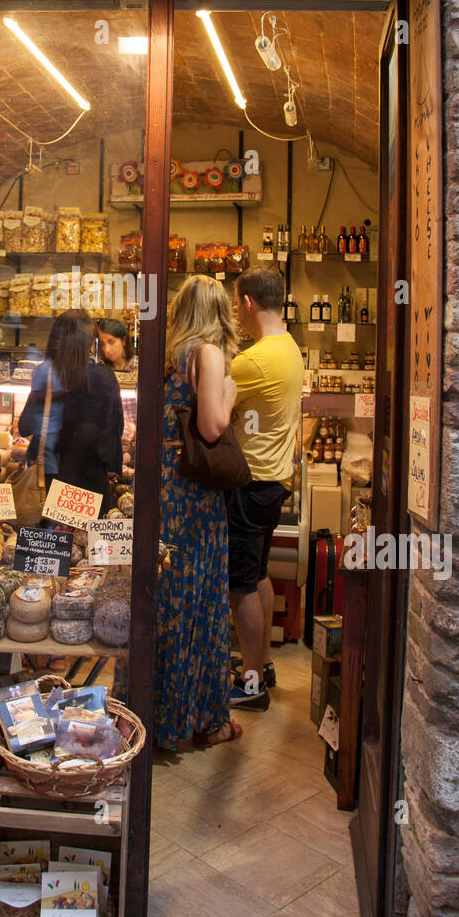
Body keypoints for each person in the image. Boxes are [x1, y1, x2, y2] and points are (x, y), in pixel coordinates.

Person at [155, 275, 242, 750]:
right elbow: (211, 428)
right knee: (202, 598)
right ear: (219, 311)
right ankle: (204, 721)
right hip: (196, 495)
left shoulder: (171, 355)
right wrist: (228, 393)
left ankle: (161, 712)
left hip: (168, 488)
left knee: (170, 597)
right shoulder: (207, 353)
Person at [228, 267, 305, 710]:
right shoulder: (289, 348)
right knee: (258, 575)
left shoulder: (253, 360)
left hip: (249, 484)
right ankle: (265, 664)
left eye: (238, 303)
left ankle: (251, 684)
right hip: (273, 483)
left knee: (240, 589)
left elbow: (212, 406)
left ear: (248, 303)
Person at [18, 309, 123, 499]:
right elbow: (116, 430)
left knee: (56, 529)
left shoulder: (45, 373)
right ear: (90, 339)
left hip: (52, 479)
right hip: (92, 482)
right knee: (88, 529)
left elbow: (25, 426)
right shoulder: (105, 376)